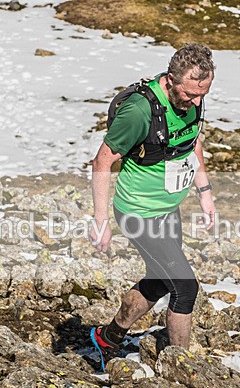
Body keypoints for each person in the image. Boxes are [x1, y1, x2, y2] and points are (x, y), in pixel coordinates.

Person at [88, 43, 216, 371]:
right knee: (185, 288)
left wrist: (204, 192)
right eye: (190, 95)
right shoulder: (139, 111)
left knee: (160, 280)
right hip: (138, 213)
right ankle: (181, 369)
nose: (196, 102)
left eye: (203, 95)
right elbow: (102, 161)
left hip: (168, 208)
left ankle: (108, 337)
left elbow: (192, 141)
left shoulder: (191, 98)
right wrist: (101, 220)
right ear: (171, 80)